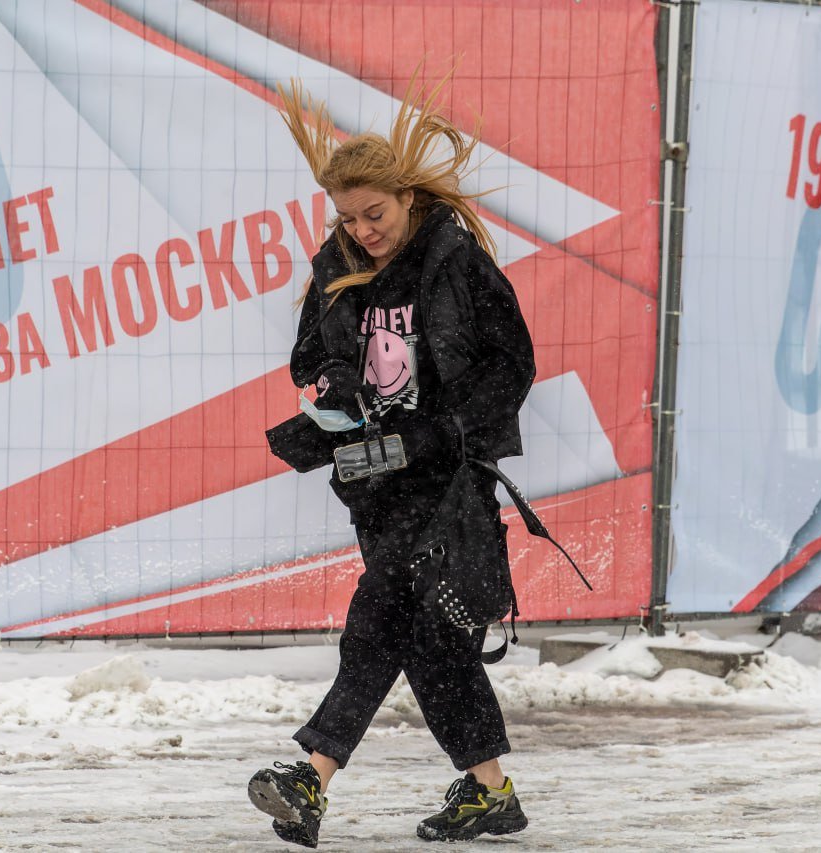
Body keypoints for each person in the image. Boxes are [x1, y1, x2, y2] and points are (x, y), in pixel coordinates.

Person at [250, 70, 536, 848]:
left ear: (408, 198)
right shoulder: (335, 263)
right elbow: (308, 353)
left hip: (446, 483)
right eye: (349, 216)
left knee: (378, 617)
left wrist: (448, 428)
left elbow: (514, 363)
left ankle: (311, 776)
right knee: (430, 645)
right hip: (374, 482)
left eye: (374, 213)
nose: (363, 229)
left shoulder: (455, 261)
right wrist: (332, 376)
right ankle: (492, 794)